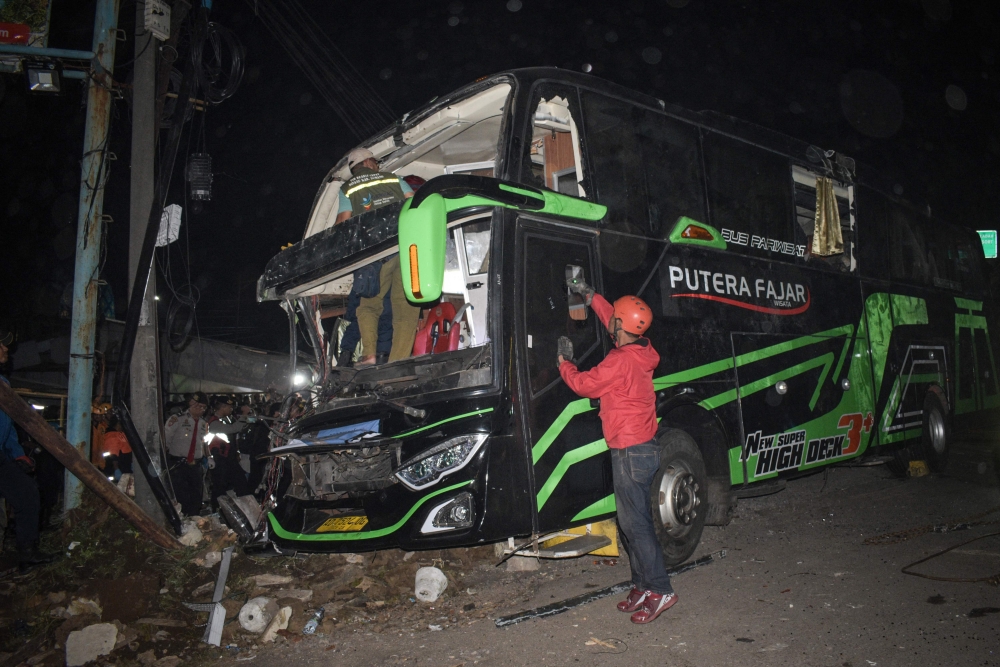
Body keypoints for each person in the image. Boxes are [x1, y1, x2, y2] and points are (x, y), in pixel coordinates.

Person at [556, 284, 677, 624]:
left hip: (629, 451)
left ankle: (660, 588)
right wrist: (592, 296)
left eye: (615, 322)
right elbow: (615, 318)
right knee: (632, 522)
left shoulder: (620, 360)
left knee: (635, 525)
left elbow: (584, 385)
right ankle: (641, 585)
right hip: (642, 448)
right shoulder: (641, 350)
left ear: (621, 328)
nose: (611, 324)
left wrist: (564, 363)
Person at [334, 148, 420, 365]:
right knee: (406, 307)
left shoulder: (348, 188)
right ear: (370, 162)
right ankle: (398, 361)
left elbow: (343, 224)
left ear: (355, 169)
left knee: (368, 305)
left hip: (375, 254)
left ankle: (370, 354)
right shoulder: (395, 179)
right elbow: (415, 206)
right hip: (405, 248)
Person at [0, 329, 57, 572]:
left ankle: (27, 553)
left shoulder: (3, 384)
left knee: (27, 494)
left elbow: (8, 423)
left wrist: (16, 452)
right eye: (0, 346)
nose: (5, 350)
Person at [163, 392, 210, 516]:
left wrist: (209, 457)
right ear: (191, 404)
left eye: (203, 408)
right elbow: (165, 440)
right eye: (198, 406)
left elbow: (205, 442)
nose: (200, 410)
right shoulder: (177, 419)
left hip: (196, 465)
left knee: (196, 495)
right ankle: (181, 519)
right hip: (179, 463)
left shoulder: (203, 423)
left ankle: (194, 518)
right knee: (180, 495)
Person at [205, 396, 250, 510]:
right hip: (219, 458)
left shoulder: (227, 419)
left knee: (240, 483)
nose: (231, 409)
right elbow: (231, 429)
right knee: (219, 486)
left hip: (229, 458)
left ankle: (244, 508)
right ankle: (216, 509)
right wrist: (244, 414)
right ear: (223, 407)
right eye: (229, 407)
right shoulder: (213, 422)